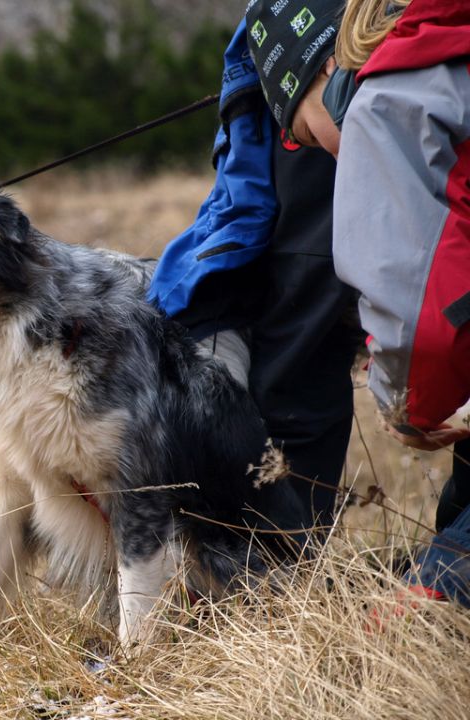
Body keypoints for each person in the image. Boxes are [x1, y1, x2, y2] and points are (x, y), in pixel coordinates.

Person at [248, 0, 470, 605]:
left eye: (304, 133)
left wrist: (406, 405)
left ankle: (428, 606)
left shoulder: (380, 108)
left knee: (432, 596)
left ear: (324, 73)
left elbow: (419, 314)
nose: (326, 152)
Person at [148, 0, 362, 538]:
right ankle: (273, 563)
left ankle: (275, 563)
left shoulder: (340, 127)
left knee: (298, 369)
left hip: (311, 191)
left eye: (301, 135)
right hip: (291, 66)